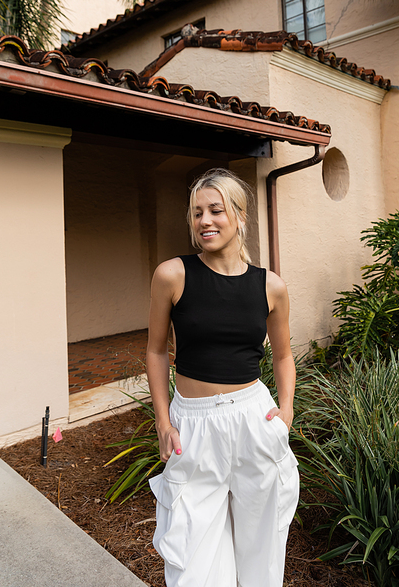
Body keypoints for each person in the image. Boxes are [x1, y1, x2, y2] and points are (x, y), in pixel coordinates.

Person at [146, 168, 299, 587]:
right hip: (192, 425)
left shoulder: (270, 286)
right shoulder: (173, 275)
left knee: (262, 550)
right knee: (191, 559)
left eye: (216, 210)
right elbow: (157, 351)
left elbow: (284, 357)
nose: (205, 221)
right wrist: (163, 420)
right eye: (197, 213)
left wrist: (285, 412)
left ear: (240, 215)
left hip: (255, 421)